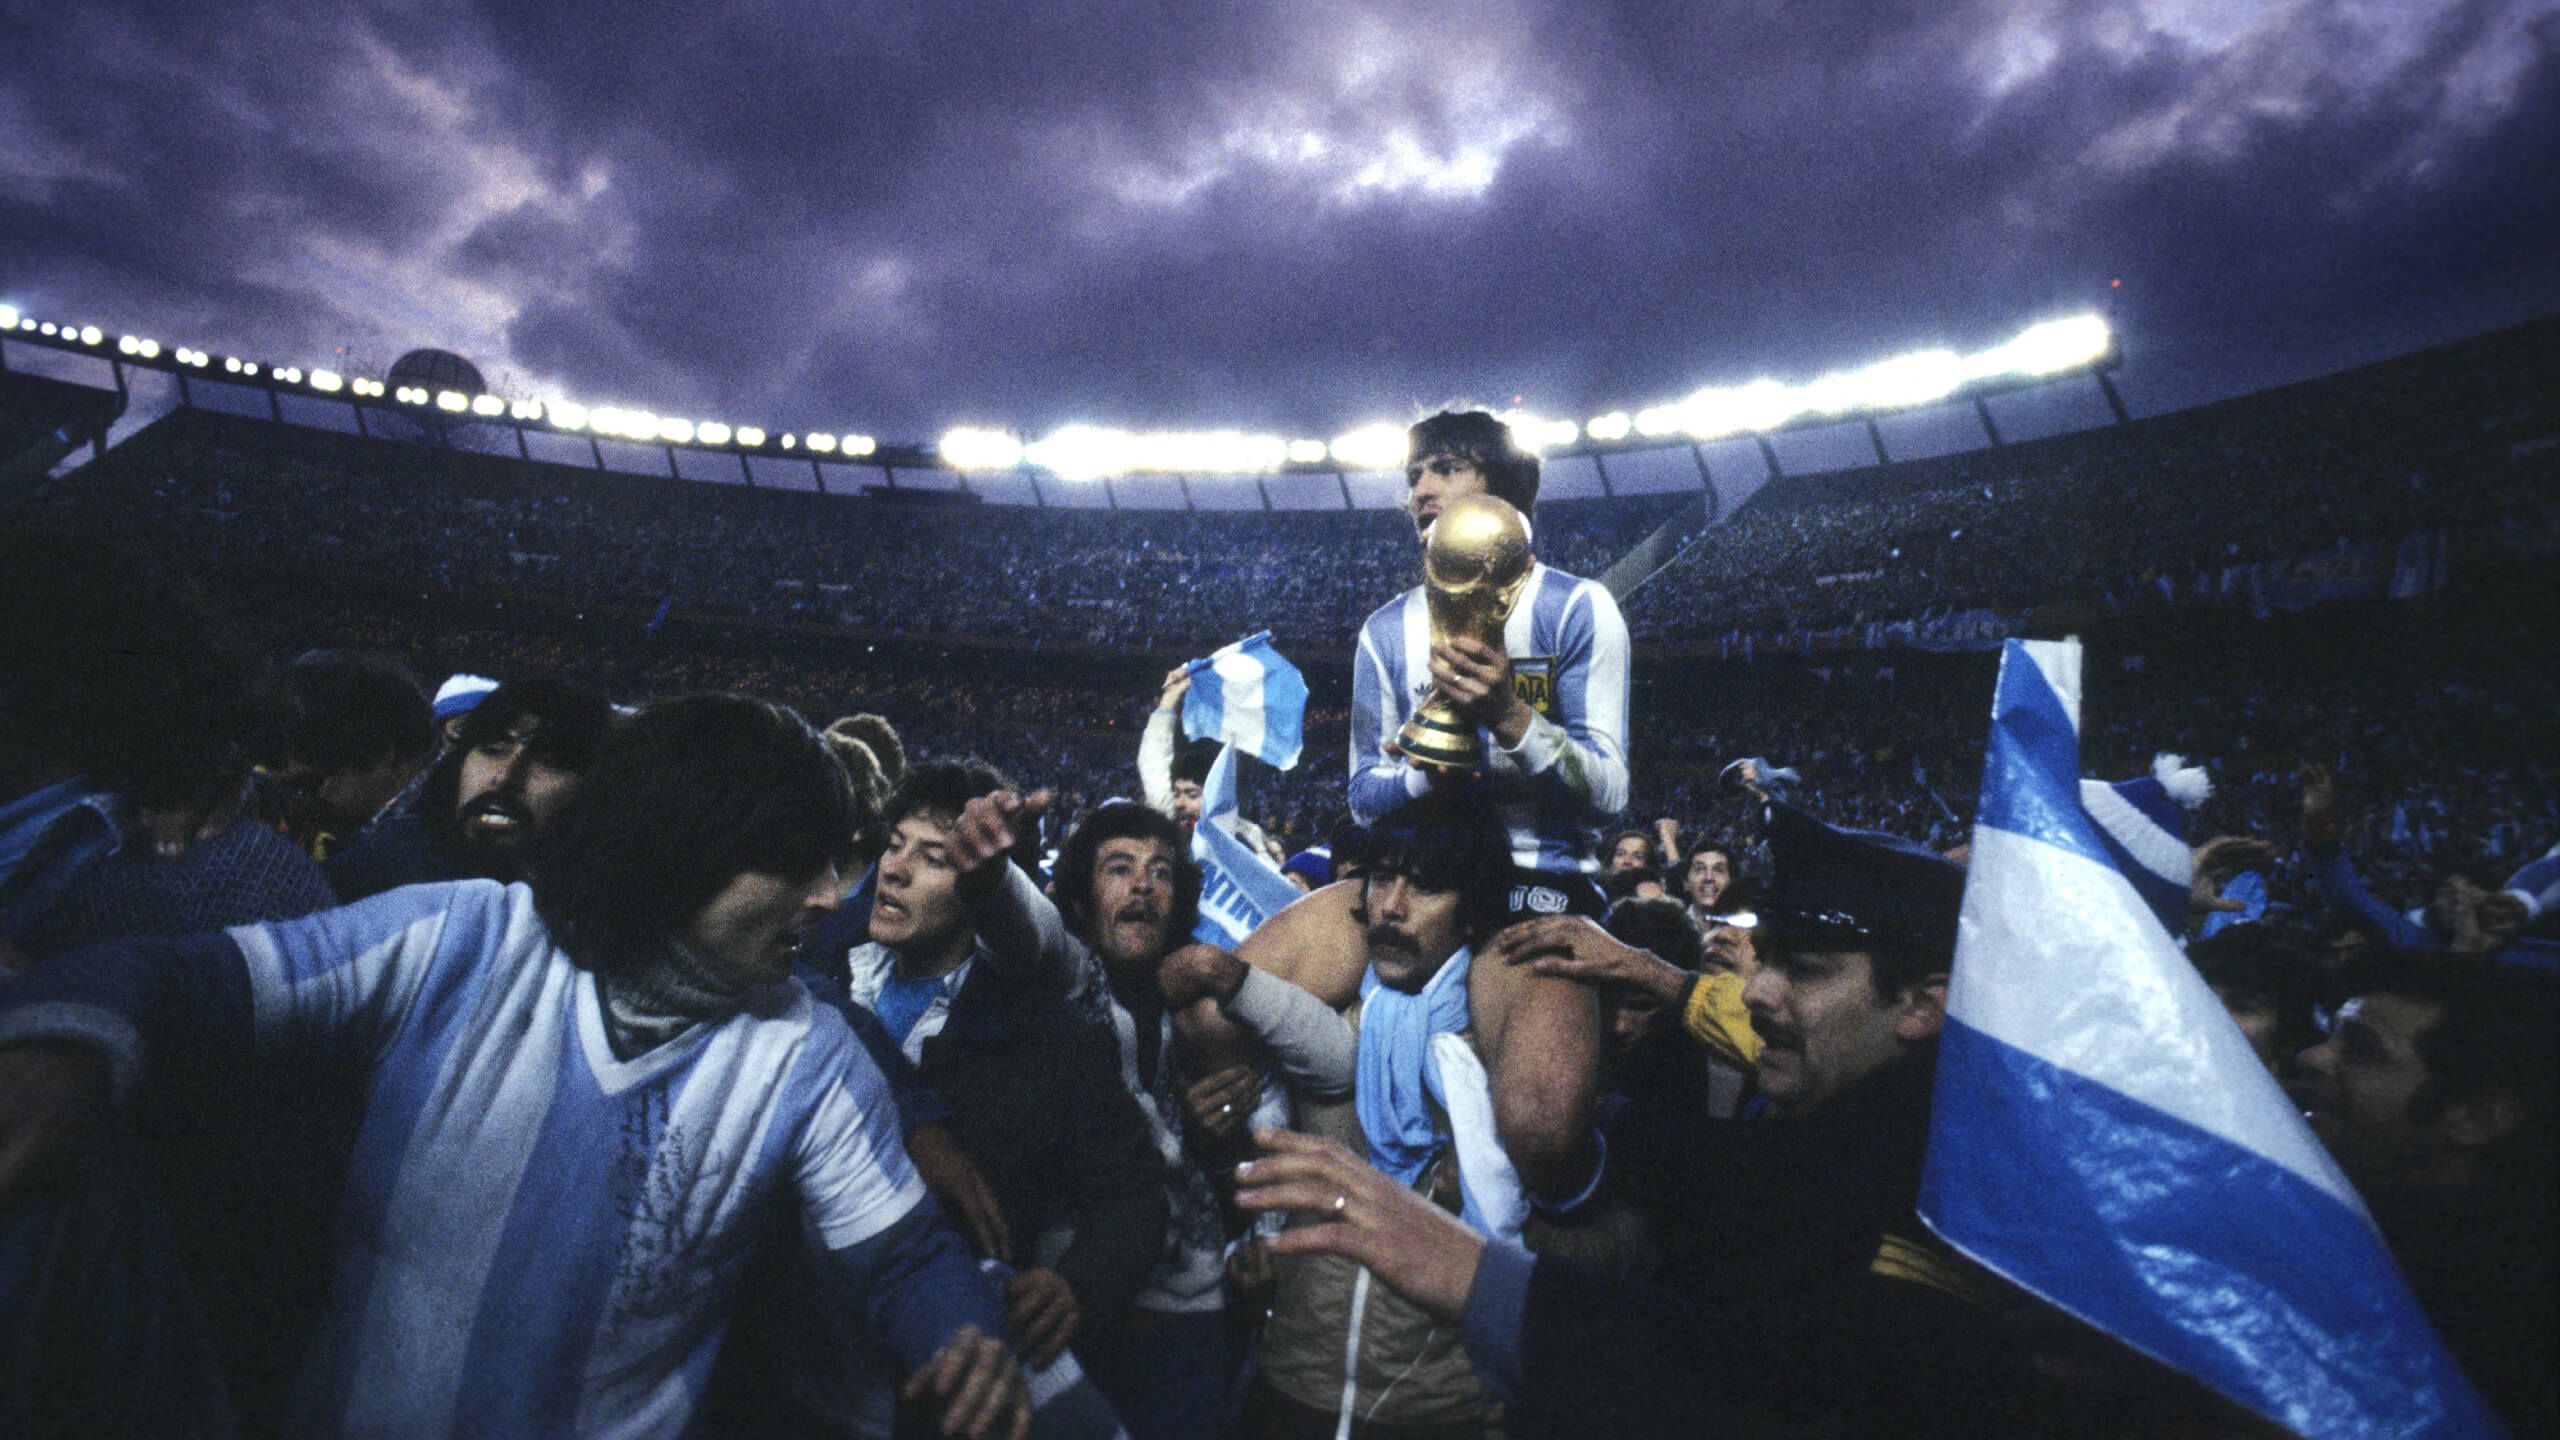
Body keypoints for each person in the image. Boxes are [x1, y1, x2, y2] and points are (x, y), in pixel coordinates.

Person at [0, 694, 1033, 1439]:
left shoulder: (805, 1058)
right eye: (798, 862)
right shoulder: (463, 941)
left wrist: (962, 1334)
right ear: (689, 849)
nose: (825, 896)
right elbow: (186, 980)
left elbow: (900, 1260)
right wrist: (67, 1046)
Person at [1236, 803, 2030, 1438]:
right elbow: (1724, 1167)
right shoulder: (1843, 1131)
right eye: (1771, 959)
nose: (1757, 991)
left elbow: (1768, 1389)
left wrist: (1478, 1276)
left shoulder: (1952, 1199)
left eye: (1808, 971)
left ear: (1925, 1002)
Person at [1205, 791, 1603, 1439]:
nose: (1391, 907)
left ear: (1472, 913)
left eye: (1425, 887)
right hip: (1289, 1396)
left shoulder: (1500, 1063)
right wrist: (1249, 1251)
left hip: (1439, 1415)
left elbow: (1582, 1243)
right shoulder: (1317, 1018)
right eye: (1382, 878)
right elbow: (1236, 1142)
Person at [942, 793, 1237, 1440]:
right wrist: (988, 878)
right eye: (1118, 868)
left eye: (1161, 871)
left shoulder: (1196, 1012)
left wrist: (1218, 1141)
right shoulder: (1072, 980)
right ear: (1077, 899)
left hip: (1195, 1322)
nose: (1143, 887)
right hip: (1077, 1314)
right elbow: (1027, 930)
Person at [1349, 411, 1630, 915]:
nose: (1421, 492)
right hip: (1418, 887)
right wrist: (1426, 777)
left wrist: (1508, 717)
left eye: (1447, 468)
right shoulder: (1384, 631)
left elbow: (1608, 797)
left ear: (1501, 486)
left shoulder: (1574, 607)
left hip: (1545, 881)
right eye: (1414, 477)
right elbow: (1362, 800)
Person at [2288, 950, 2557, 1434]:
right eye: (2330, 1034)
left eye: (2363, 1050)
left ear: (2476, 1116)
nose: (2312, 1056)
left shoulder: (2504, 1335)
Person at [324, 677, 618, 902]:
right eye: (492, 750)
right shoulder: (388, 861)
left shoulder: (603, 906)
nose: (504, 778)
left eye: (548, 762)